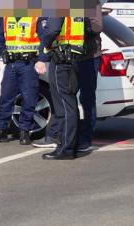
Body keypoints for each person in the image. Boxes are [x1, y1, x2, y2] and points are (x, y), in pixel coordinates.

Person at [0, 16, 44, 145]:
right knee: (5, 97)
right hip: (11, 64)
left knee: (29, 98)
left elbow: (44, 40)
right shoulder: (6, 18)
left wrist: (41, 60)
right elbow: (0, 38)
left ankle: (24, 131)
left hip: (29, 63)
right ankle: (1, 130)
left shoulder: (35, 18)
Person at [34, 16, 86, 160]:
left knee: (64, 105)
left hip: (62, 58)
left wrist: (44, 46)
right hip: (72, 58)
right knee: (69, 104)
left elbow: (53, 30)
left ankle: (66, 149)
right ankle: (69, 145)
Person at [76, 1, 103, 152]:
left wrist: (81, 21)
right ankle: (66, 135)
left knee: (87, 98)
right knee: (66, 97)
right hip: (69, 57)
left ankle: (86, 138)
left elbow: (98, 26)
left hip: (89, 56)